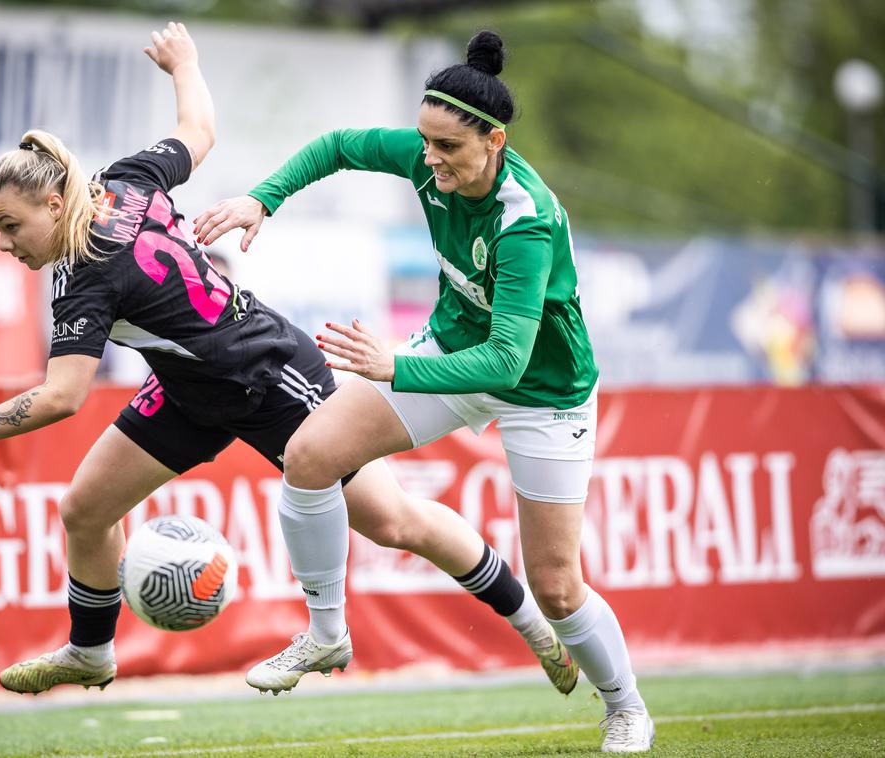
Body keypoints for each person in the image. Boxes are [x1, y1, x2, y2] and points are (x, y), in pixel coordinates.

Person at [0, 23, 576, 704]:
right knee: (84, 510)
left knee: (394, 522)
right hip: (191, 389)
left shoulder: (88, 277)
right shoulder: (126, 180)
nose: (6, 245)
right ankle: (91, 652)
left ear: (53, 202)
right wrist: (185, 64)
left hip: (268, 373)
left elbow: (60, 397)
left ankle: (530, 622)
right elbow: (198, 131)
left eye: (11, 227)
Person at [194, 30, 653, 754]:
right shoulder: (425, 154)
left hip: (541, 391)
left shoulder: (523, 218)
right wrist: (263, 200)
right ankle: (325, 635)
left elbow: (506, 362)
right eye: (425, 142)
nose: (430, 159)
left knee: (559, 587)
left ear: (494, 141)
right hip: (451, 349)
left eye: (448, 148)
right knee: (310, 455)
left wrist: (393, 368)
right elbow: (338, 144)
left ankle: (625, 707)